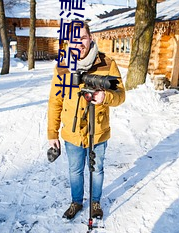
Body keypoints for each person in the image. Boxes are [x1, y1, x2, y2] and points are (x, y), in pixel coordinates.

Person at [47, 21, 125, 220]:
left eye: (82, 37)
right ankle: (76, 202)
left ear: (90, 38)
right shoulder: (63, 66)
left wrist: (105, 97)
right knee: (75, 170)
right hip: (72, 132)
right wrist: (52, 134)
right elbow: (55, 101)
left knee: (97, 168)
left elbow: (120, 95)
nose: (79, 43)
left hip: (98, 130)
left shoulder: (107, 63)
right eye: (74, 39)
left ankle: (96, 202)